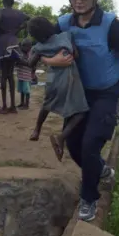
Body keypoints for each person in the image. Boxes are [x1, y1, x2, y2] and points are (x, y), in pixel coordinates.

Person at [41, 0, 119, 222]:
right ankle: (101, 170)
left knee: (91, 144)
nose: (79, 1)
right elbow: (40, 50)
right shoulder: (63, 23)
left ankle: (89, 198)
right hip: (77, 94)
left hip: (106, 93)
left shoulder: (110, 25)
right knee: (75, 147)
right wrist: (51, 59)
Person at [27, 17, 89, 161]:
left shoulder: (38, 47)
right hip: (69, 78)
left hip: (52, 79)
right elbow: (76, 54)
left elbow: (30, 63)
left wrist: (43, 56)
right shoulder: (66, 36)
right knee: (80, 112)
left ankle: (36, 130)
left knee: (47, 104)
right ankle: (61, 137)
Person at [0, 0, 29, 114]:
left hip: (3, 43)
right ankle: (13, 106)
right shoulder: (19, 13)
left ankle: (4, 106)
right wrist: (18, 29)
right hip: (14, 43)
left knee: (4, 74)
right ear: (13, 2)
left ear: (3, 1)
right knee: (10, 74)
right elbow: (29, 18)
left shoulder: (0, 11)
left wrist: (3, 30)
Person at [16, 38, 34, 109]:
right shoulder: (21, 53)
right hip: (20, 75)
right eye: (22, 46)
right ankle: (22, 103)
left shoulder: (31, 54)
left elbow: (31, 64)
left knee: (26, 91)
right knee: (22, 90)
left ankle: (26, 105)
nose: (22, 47)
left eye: (24, 46)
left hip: (27, 76)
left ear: (29, 47)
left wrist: (21, 61)